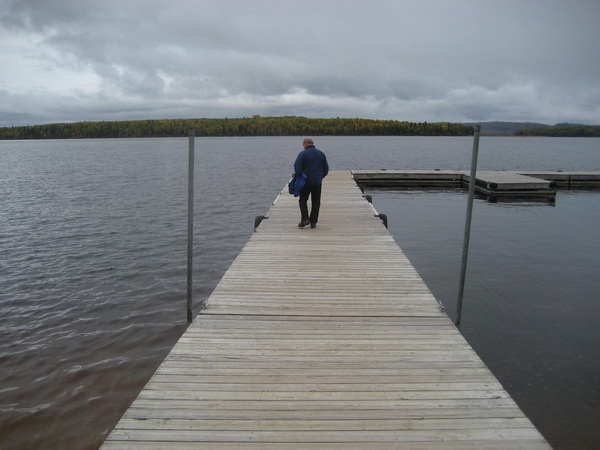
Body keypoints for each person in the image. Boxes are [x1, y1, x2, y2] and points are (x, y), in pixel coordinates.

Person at [294, 137, 329, 228]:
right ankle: (313, 222)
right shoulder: (321, 154)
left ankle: (305, 219)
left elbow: (297, 168)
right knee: (316, 201)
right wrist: (321, 177)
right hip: (317, 182)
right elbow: (326, 169)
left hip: (305, 182)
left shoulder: (302, 154)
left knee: (303, 200)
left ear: (305, 144)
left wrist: (300, 177)